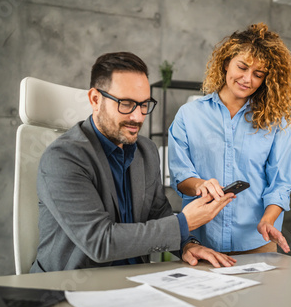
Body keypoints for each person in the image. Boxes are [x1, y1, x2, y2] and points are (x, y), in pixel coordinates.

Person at [31, 52, 237, 273]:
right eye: (126, 104)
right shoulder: (63, 158)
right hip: (70, 288)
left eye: (144, 105)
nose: (138, 117)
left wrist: (188, 245)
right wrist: (183, 223)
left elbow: (158, 214)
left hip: (136, 282)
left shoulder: (145, 151)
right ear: (95, 99)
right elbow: (100, 242)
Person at [168, 23, 291, 254]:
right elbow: (180, 177)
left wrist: (268, 221)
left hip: (257, 240)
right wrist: (200, 185)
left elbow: (280, 184)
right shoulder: (189, 115)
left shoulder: (275, 122)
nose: (247, 79)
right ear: (225, 63)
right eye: (242, 67)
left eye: (258, 74)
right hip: (200, 242)